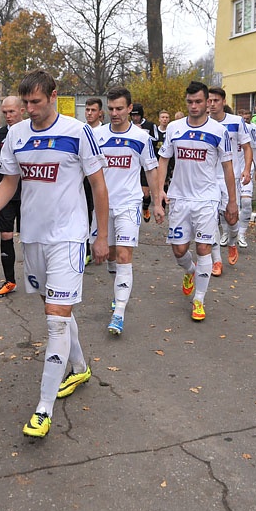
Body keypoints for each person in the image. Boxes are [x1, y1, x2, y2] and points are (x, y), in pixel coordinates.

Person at [0, 70, 110, 438]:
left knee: (55, 319)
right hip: (33, 236)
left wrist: (101, 236)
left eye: (36, 102)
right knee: (55, 309)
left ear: (53, 96)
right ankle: (80, 366)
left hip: (69, 236)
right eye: (26, 104)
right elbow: (9, 180)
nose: (30, 110)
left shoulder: (77, 132)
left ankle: (43, 408)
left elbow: (98, 185)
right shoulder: (15, 136)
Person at [155, 81, 238, 322]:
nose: (194, 106)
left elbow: (228, 168)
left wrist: (231, 202)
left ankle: (199, 300)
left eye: (199, 102)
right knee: (179, 250)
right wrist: (160, 192)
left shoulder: (218, 131)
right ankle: (190, 271)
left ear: (208, 103)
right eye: (190, 102)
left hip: (207, 199)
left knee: (204, 249)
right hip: (179, 198)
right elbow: (163, 161)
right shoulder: (174, 128)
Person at [95, 87, 165, 335]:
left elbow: (151, 170)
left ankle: (119, 312)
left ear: (129, 109)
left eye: (119, 109)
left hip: (129, 204)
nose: (115, 113)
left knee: (125, 255)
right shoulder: (97, 136)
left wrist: (156, 202)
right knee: (111, 255)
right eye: (111, 108)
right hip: (103, 207)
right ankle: (118, 290)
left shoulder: (141, 137)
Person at [207, 88, 253, 275]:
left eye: (216, 100)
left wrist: (247, 169)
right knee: (211, 221)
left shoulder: (236, 122)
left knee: (231, 218)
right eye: (209, 100)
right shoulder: (204, 123)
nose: (212, 104)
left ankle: (232, 241)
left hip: (230, 177)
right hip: (208, 179)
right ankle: (216, 261)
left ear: (224, 101)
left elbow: (248, 148)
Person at [0, 96, 26, 297]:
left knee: (30, 237)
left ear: (22, 110)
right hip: (5, 193)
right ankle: (10, 280)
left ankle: (37, 276)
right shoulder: (0, 135)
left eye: (12, 112)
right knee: (5, 234)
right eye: (5, 112)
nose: (8, 116)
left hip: (28, 194)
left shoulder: (31, 132)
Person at [82, 97, 104, 265]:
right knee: (83, 213)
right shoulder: (80, 131)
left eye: (93, 110)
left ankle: (99, 242)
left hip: (99, 180)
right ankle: (84, 248)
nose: (89, 113)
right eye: (87, 110)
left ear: (100, 113)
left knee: (96, 212)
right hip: (82, 180)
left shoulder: (104, 132)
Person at [236, 109, 256, 248]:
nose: (244, 118)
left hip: (246, 171)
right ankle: (228, 233)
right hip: (230, 173)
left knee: (246, 202)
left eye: (246, 115)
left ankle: (242, 234)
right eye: (241, 115)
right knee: (228, 207)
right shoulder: (228, 129)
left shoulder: (251, 130)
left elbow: (254, 149)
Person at [130, 103, 154, 222]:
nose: (135, 118)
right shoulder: (128, 126)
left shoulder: (149, 125)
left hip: (145, 162)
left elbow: (155, 141)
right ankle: (135, 212)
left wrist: (143, 133)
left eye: (137, 116)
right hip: (133, 163)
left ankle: (145, 207)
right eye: (133, 116)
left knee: (145, 193)